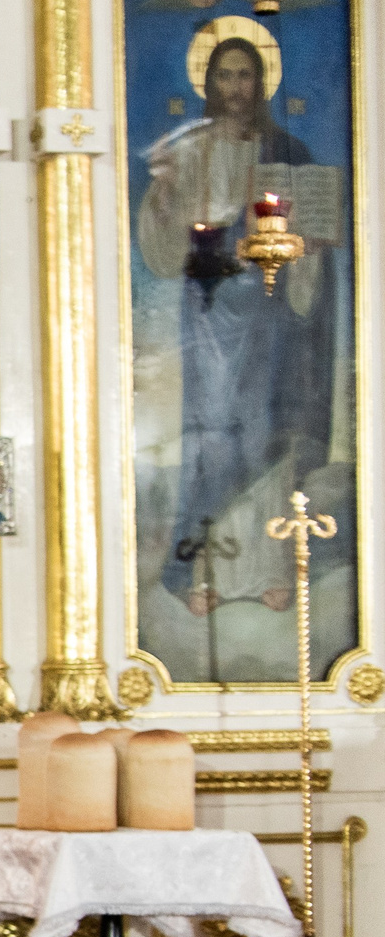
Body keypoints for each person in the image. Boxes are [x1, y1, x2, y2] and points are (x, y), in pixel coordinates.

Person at [138, 31, 336, 629]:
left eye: (244, 76)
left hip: (270, 310)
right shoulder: (189, 149)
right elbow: (165, 249)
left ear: (261, 83)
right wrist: (166, 195)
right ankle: (199, 572)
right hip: (209, 307)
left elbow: (314, 243)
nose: (234, 88)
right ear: (209, 84)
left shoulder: (288, 151)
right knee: (213, 435)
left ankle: (269, 571)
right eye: (223, 76)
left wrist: (306, 241)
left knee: (264, 429)